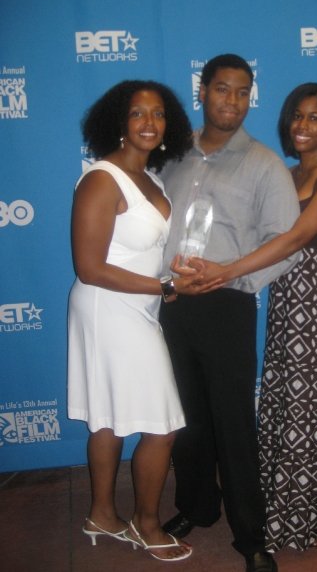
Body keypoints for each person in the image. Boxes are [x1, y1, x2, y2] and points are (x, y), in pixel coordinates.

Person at [186, 83, 317, 554]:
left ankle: (314, 515)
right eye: (297, 116)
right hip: (281, 289)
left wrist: (228, 271)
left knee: (311, 402)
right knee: (282, 395)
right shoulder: (285, 170)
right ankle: (278, 508)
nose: (303, 125)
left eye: (315, 117)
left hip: (316, 292)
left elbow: (297, 237)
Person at [159, 54, 300, 572]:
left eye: (243, 92)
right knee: (187, 419)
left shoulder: (264, 164)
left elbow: (287, 244)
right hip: (173, 304)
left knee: (234, 424)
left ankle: (251, 536)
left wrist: (232, 277)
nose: (233, 101)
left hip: (227, 308)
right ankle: (197, 507)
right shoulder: (172, 156)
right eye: (223, 89)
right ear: (203, 90)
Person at [67, 79, 219, 562]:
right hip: (107, 308)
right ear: (119, 120)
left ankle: (101, 514)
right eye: (137, 113)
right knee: (161, 424)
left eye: (158, 114)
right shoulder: (101, 179)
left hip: (140, 305)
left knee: (108, 420)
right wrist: (166, 287)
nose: (149, 122)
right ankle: (146, 524)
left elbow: (143, 250)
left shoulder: (150, 178)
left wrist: (174, 277)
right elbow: (89, 267)